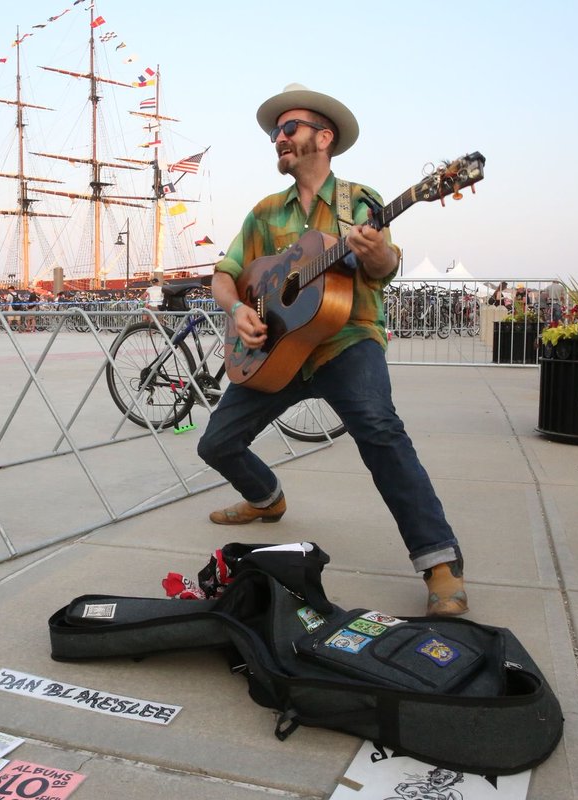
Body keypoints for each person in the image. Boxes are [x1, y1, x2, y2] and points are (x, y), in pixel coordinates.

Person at [195, 83, 466, 616]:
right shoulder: (265, 212)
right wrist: (238, 310)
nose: (278, 138)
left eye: (289, 128)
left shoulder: (359, 202)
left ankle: (440, 563)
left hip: (345, 339)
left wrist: (380, 254)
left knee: (380, 430)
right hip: (277, 350)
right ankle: (267, 499)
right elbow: (225, 275)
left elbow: (382, 270)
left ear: (324, 137)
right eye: (275, 131)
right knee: (216, 443)